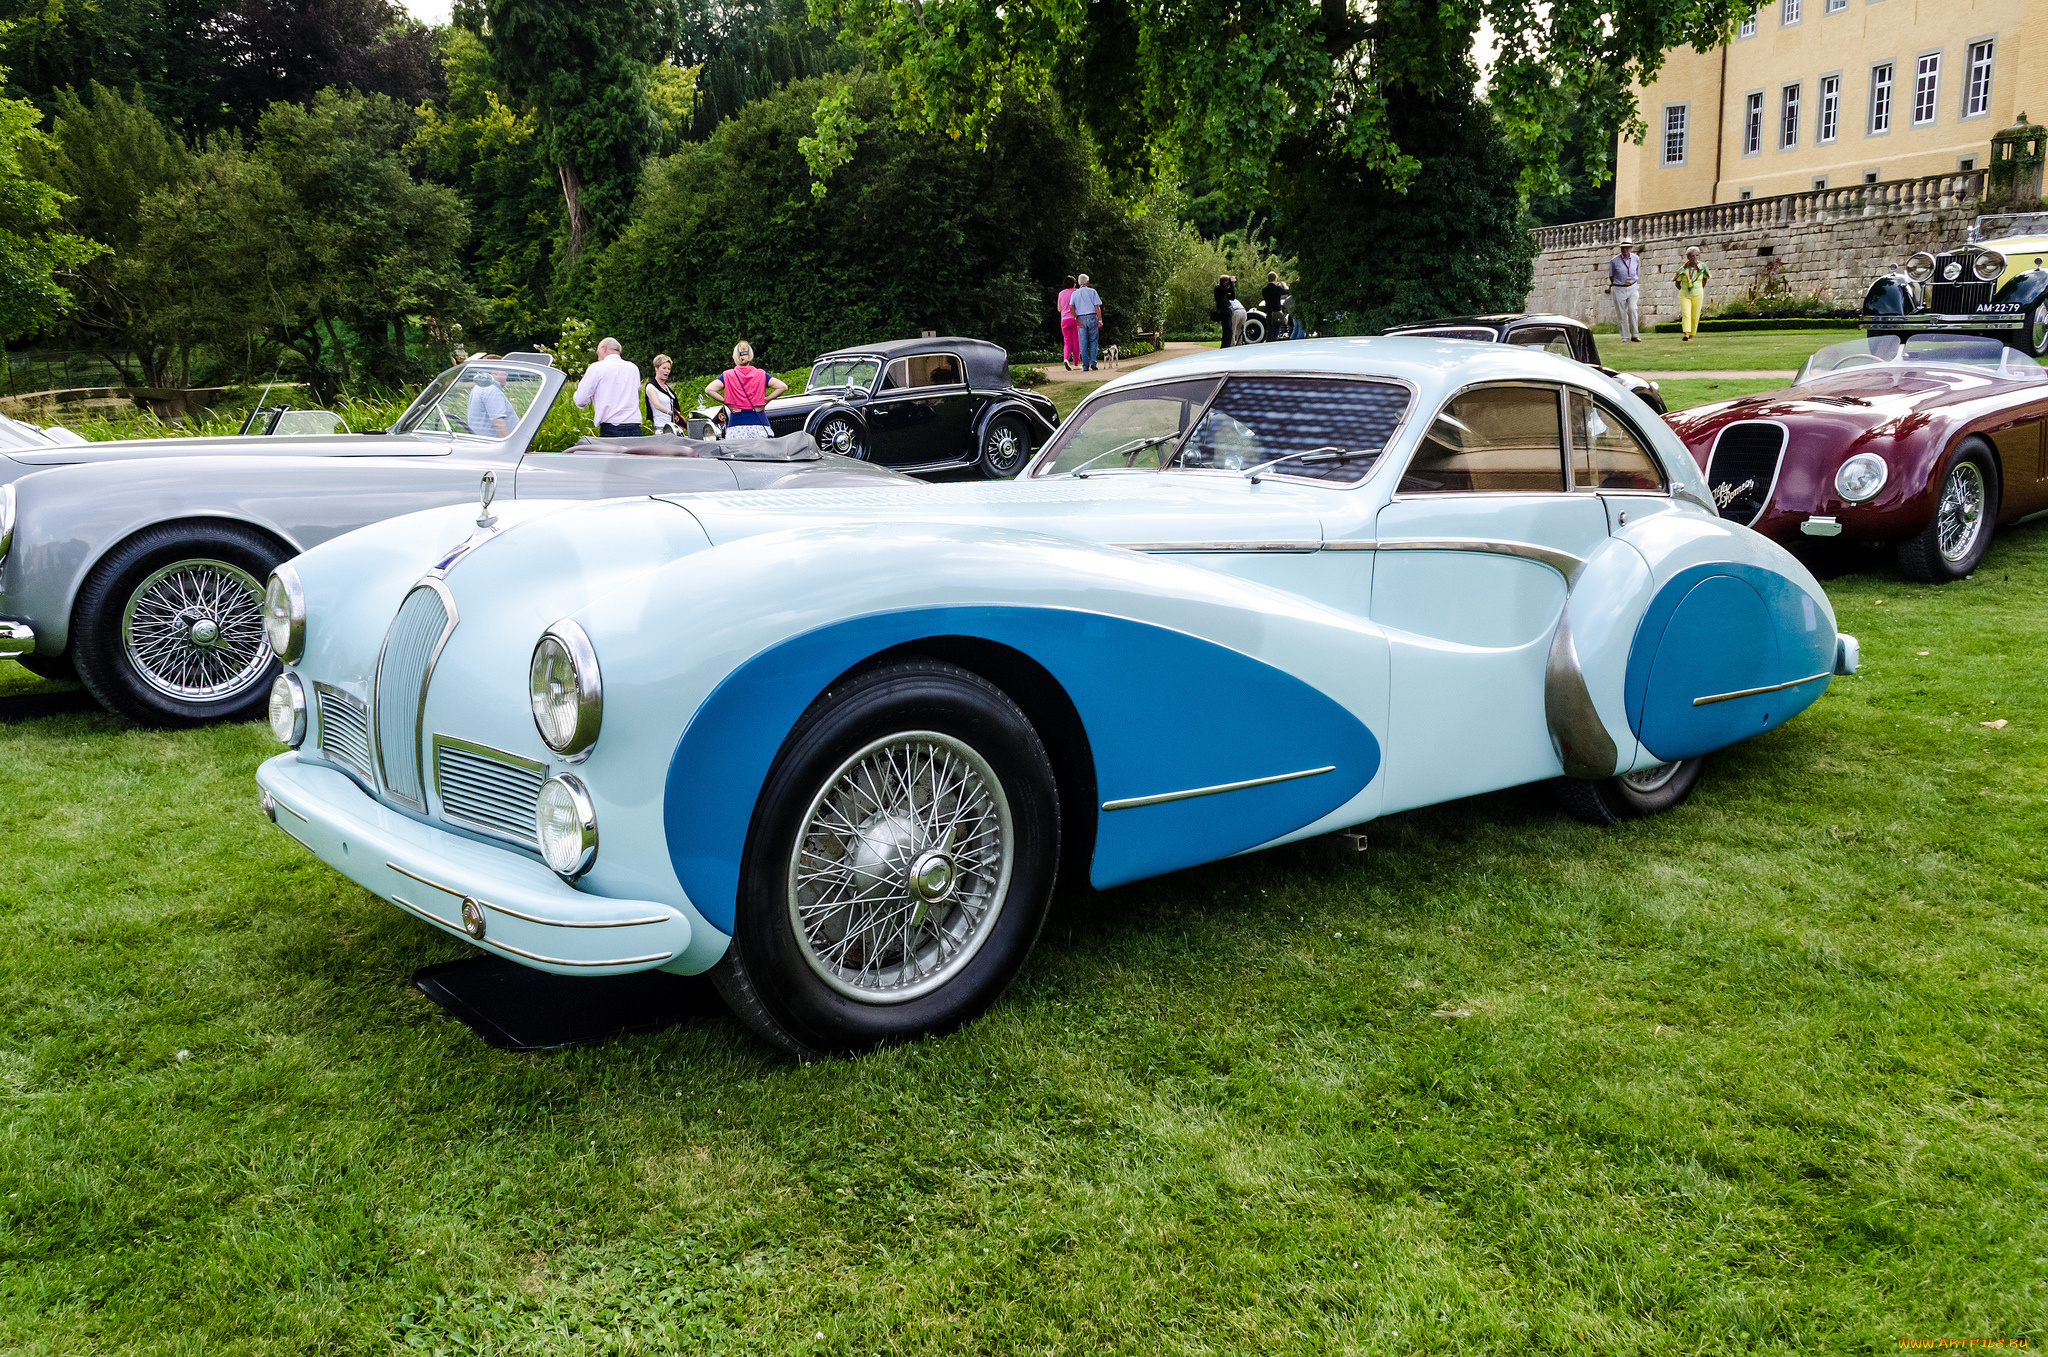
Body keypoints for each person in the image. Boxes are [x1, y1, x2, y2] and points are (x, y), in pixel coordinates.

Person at [704, 340, 788, 439]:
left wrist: (727, 403)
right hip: (760, 425)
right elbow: (783, 386)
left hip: (736, 426)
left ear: (734, 357)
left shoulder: (727, 375)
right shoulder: (761, 374)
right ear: (751, 357)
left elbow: (709, 389)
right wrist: (766, 400)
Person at [573, 336, 645, 437]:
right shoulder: (633, 368)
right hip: (635, 428)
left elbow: (580, 400)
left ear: (604, 349)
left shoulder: (597, 367)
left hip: (611, 429)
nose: (598, 358)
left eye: (598, 353)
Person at [464, 362, 516, 437]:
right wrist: (511, 446)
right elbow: (498, 423)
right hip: (497, 444)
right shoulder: (491, 389)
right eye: (504, 370)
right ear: (495, 372)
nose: (506, 374)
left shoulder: (480, 387)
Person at [1607, 238, 1643, 343]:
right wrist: (1618, 283)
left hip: (1632, 286)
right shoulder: (1614, 261)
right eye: (1623, 248)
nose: (1625, 250)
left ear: (1631, 248)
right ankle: (1625, 337)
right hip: (1619, 288)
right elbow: (1611, 276)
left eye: (1627, 248)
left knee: (1632, 309)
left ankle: (1635, 335)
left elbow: (1637, 272)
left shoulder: (1636, 258)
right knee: (1621, 313)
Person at [1672, 246, 1711, 342]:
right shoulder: (1682, 269)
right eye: (1692, 256)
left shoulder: (1702, 267)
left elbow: (1705, 279)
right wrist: (1684, 290)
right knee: (1686, 313)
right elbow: (1677, 283)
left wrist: (1699, 289)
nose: (1695, 258)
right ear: (1688, 257)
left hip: (1698, 293)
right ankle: (1686, 333)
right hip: (1685, 294)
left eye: (1697, 255)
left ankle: (1691, 335)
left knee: (1695, 315)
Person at [1070, 273, 1104, 371]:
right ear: (1087, 282)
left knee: (1083, 341)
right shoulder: (1092, 291)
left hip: (1081, 317)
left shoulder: (1074, 293)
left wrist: (1076, 318)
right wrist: (1100, 319)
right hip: (1092, 316)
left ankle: (1085, 365)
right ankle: (1093, 362)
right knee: (1093, 340)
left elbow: (1071, 307)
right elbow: (1097, 307)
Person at [645, 353, 678, 431]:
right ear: (656, 368)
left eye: (668, 369)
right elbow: (656, 404)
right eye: (664, 368)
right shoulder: (651, 387)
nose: (667, 371)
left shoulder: (667, 388)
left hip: (672, 426)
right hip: (661, 427)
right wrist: (670, 413)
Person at [1056, 275, 1080, 370]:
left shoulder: (1061, 293)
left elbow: (1059, 309)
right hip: (1075, 318)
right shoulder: (1076, 292)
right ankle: (1076, 364)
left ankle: (1066, 358)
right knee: (1076, 341)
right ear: (1074, 284)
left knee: (1067, 341)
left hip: (1064, 319)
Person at [1213, 273, 1237, 349]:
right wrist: (1232, 283)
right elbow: (1228, 290)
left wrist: (1231, 285)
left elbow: (1232, 297)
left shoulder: (1223, 291)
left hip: (1227, 312)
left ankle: (1226, 346)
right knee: (1227, 331)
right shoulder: (1218, 289)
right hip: (1223, 312)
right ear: (1225, 281)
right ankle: (1224, 346)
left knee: (1229, 331)